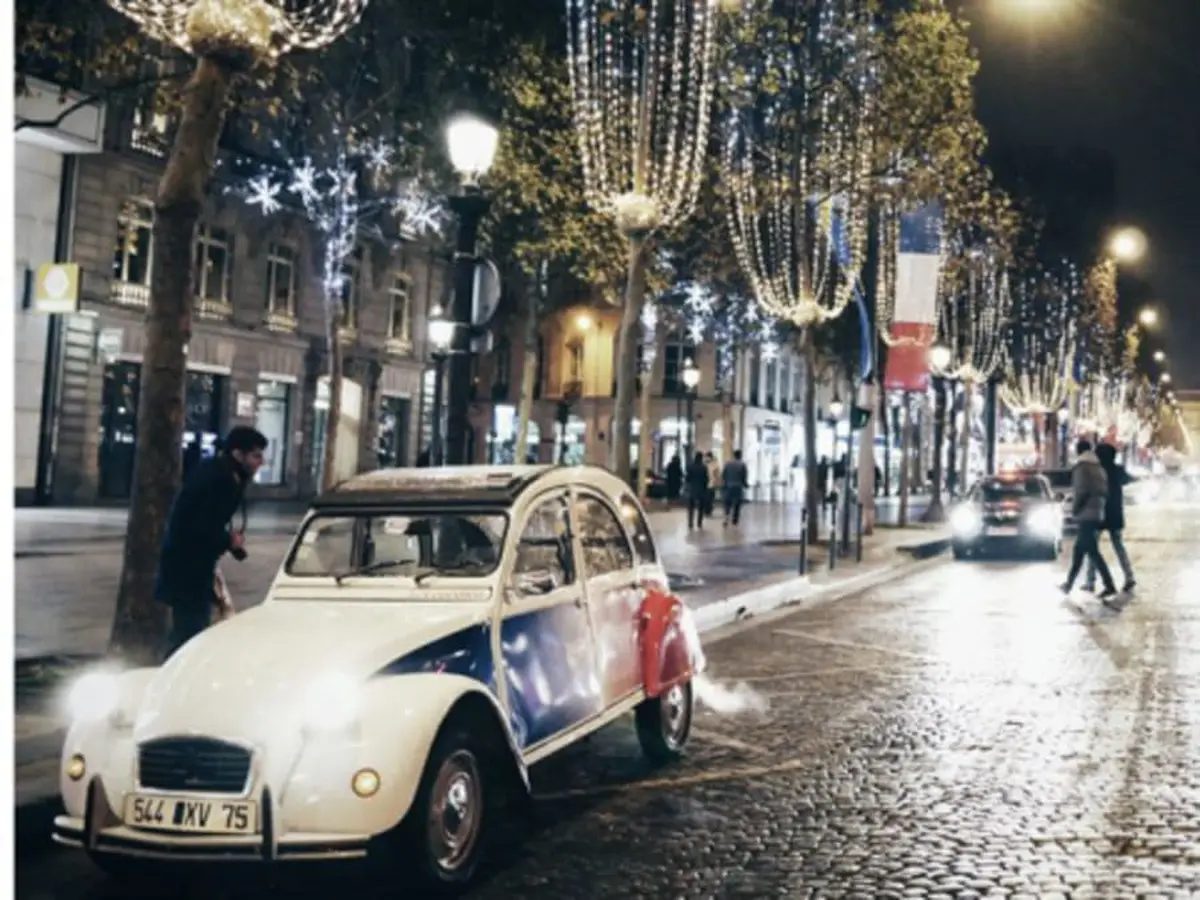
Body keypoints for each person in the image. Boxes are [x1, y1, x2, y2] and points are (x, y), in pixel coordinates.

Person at [155, 425, 267, 660]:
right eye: (256, 455)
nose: (261, 462)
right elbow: (200, 525)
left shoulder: (221, 473)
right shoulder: (222, 480)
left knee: (188, 629)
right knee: (190, 633)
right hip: (188, 568)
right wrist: (229, 540)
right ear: (238, 454)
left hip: (190, 565)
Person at [1059, 438, 1118, 602]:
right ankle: (1069, 584)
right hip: (1097, 512)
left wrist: (1075, 510)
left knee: (1092, 552)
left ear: (1078, 451)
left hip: (1085, 514)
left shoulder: (1082, 467)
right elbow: (1104, 491)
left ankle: (1109, 584)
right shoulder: (1098, 467)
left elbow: (1081, 491)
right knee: (1080, 550)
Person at [1083, 442, 1137, 593]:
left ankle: (1090, 581)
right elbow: (1128, 479)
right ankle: (1129, 577)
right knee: (1118, 546)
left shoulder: (1096, 471)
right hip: (1115, 514)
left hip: (1099, 513)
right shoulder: (1117, 470)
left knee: (1093, 548)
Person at [721, 449, 749, 526]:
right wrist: (745, 484)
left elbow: (723, 475)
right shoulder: (742, 465)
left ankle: (726, 517)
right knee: (737, 503)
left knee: (727, 503)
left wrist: (725, 482)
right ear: (740, 456)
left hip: (728, 486)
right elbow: (744, 477)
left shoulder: (727, 464)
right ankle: (735, 520)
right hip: (738, 486)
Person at [685, 452, 709, 530]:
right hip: (701, 490)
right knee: (701, 507)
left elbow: (687, 478)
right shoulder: (704, 467)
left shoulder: (690, 466)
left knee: (691, 507)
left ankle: (690, 523)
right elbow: (706, 479)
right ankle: (699, 523)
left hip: (692, 489)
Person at [704, 451, 721, 517]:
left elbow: (717, 474)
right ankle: (708, 511)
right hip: (710, 483)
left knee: (708, 498)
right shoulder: (714, 464)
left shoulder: (707, 464)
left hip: (709, 483)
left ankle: (708, 511)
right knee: (709, 498)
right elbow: (717, 474)